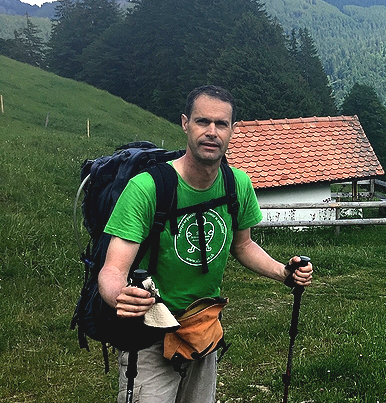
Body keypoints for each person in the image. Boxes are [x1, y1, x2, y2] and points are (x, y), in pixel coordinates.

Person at [99, 85, 313, 403]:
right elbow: (113, 267)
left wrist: (284, 272)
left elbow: (243, 246)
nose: (211, 132)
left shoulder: (236, 184)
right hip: (150, 332)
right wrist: (120, 296)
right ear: (185, 123)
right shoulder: (147, 188)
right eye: (202, 122)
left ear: (232, 131)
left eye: (221, 124)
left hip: (203, 327)